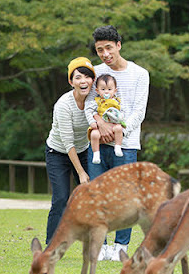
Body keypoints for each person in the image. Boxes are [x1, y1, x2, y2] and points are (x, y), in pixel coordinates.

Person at [85, 25, 150, 261]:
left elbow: (139, 111)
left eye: (108, 48)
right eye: (100, 49)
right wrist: (99, 126)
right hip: (97, 144)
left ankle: (120, 245)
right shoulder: (95, 72)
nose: (105, 53)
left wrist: (119, 129)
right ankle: (100, 245)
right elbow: (89, 107)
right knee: (97, 194)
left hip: (127, 144)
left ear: (119, 45)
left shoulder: (140, 74)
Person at [45, 57, 95, 245]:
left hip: (83, 150)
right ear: (71, 81)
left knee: (92, 195)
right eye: (78, 77)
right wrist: (81, 173)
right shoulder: (63, 105)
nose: (83, 81)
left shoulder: (95, 99)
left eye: (88, 77)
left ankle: (96, 242)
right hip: (57, 152)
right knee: (61, 198)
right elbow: (68, 143)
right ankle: (52, 244)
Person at [88, 74, 126, 164]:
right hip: (99, 125)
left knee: (119, 129)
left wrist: (120, 117)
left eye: (109, 89)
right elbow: (90, 111)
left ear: (115, 90)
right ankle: (96, 154)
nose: (106, 92)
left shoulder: (117, 101)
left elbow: (123, 111)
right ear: (97, 90)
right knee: (94, 135)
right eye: (103, 89)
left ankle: (117, 147)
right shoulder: (96, 101)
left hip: (113, 123)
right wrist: (93, 121)